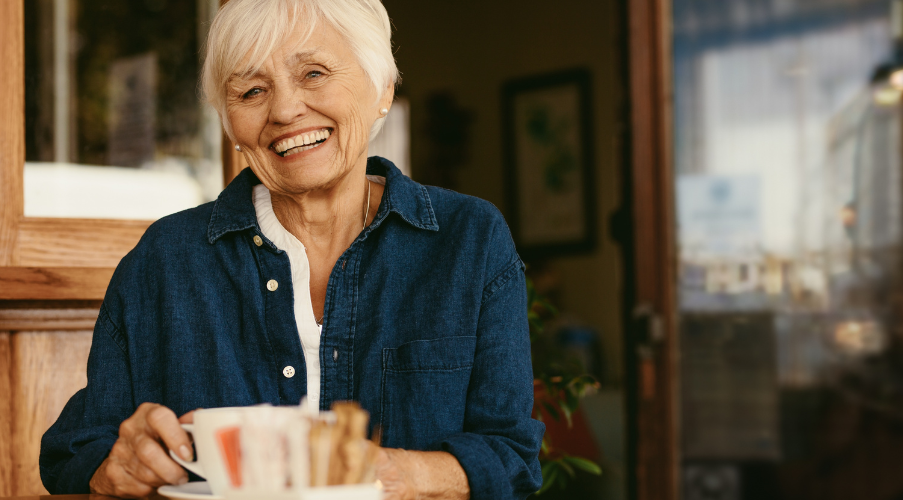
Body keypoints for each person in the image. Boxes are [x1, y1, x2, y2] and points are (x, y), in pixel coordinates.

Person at [38, 0, 544, 498]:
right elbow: (73, 452)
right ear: (229, 122)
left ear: (382, 88)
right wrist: (114, 466)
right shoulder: (165, 259)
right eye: (252, 90)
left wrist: (401, 474)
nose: (283, 110)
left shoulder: (468, 240)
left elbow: (511, 456)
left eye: (314, 74)